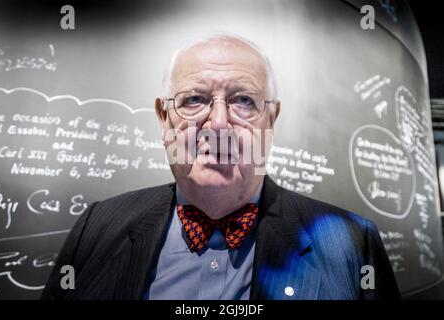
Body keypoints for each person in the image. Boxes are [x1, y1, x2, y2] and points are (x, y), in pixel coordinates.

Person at [41, 33, 400, 300]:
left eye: (243, 101)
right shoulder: (96, 228)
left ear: (271, 120)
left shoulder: (352, 243)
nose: (218, 123)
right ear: (164, 120)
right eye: (194, 100)